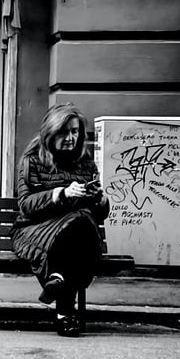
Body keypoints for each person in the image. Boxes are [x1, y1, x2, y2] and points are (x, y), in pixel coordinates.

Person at [11, 104, 110, 337]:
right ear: (50, 132)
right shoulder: (32, 160)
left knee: (81, 222)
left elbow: (100, 214)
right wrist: (61, 194)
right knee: (79, 229)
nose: (70, 138)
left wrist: (100, 198)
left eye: (75, 131)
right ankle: (65, 313)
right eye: (64, 132)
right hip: (36, 230)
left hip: (78, 231)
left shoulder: (86, 163)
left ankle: (58, 280)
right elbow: (26, 205)